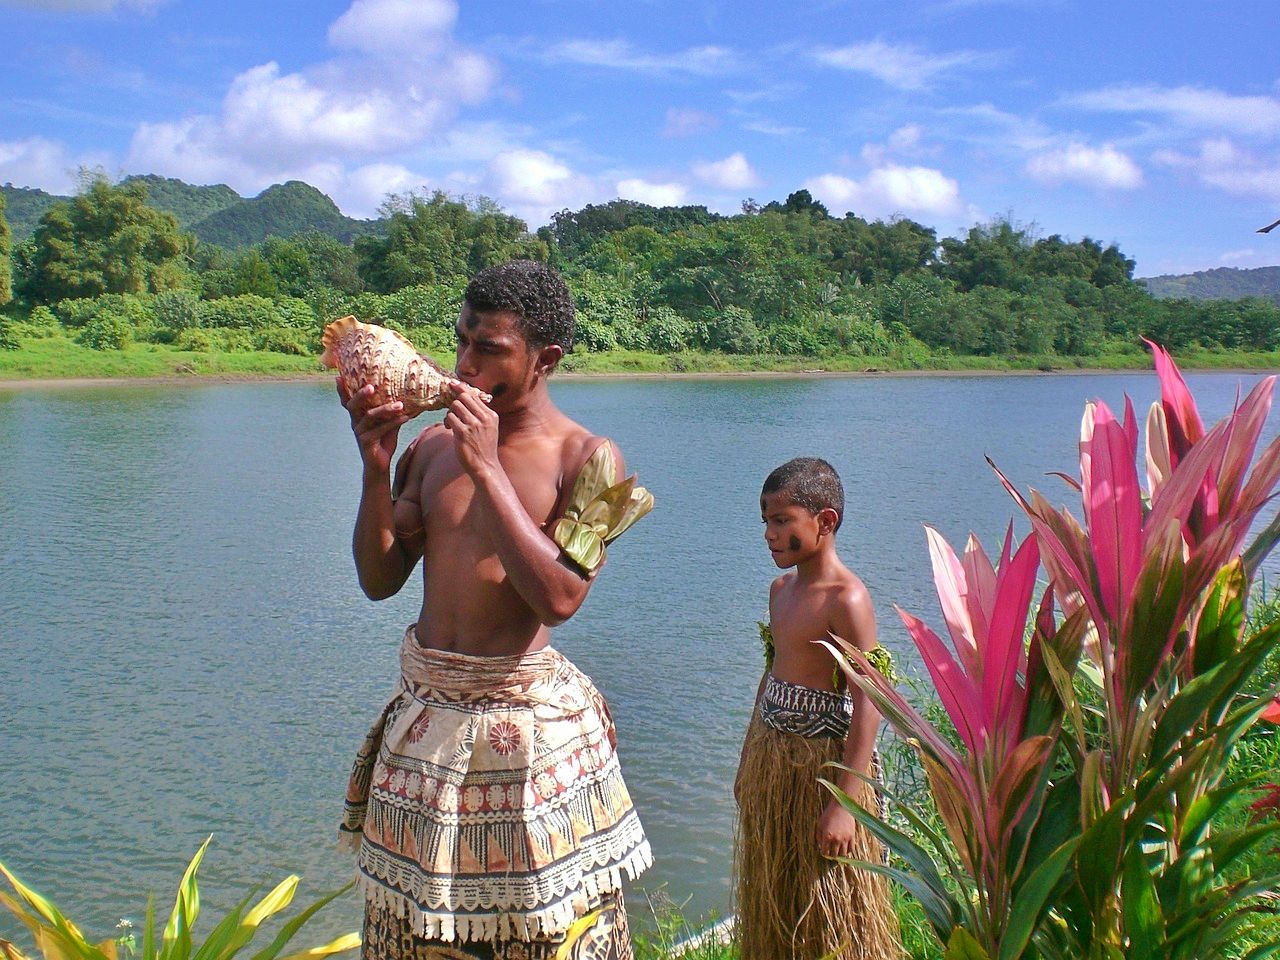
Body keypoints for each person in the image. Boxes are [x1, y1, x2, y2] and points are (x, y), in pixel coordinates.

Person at [337, 260, 653, 960]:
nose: (464, 364)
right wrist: (374, 467)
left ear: (546, 359)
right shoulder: (431, 447)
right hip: (429, 724)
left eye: (490, 349)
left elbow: (561, 597)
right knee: (416, 935)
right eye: (460, 341)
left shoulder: (589, 458)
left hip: (525, 734)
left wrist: (488, 469)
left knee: (542, 936)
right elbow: (379, 578)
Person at [734, 457, 902, 960]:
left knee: (825, 905)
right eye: (765, 519)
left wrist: (845, 805)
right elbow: (773, 670)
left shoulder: (846, 600)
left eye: (782, 520)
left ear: (825, 522)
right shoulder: (781, 590)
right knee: (776, 894)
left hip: (824, 770)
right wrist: (747, 759)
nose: (769, 533)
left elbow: (870, 700)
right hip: (773, 759)